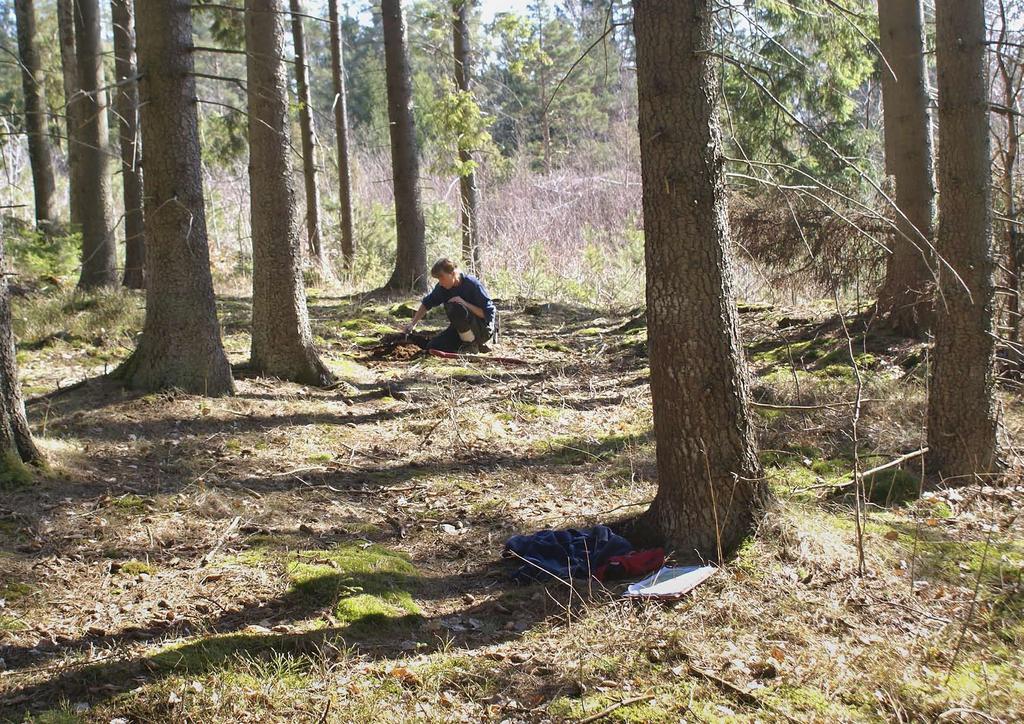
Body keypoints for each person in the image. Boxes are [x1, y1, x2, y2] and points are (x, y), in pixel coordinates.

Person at [403, 258, 496, 353]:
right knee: (433, 346)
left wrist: (464, 303)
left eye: (442, 277)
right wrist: (412, 324)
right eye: (438, 279)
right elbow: (427, 303)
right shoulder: (442, 288)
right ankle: (469, 344)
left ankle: (471, 345)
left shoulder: (472, 284)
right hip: (458, 330)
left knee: (457, 307)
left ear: (453, 273)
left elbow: (488, 314)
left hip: (483, 330)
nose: (440, 282)